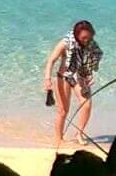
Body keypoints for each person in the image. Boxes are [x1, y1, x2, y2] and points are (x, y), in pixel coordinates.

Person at [42, 20, 102, 149]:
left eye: (89, 37)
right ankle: (59, 139)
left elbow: (92, 59)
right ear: (76, 35)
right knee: (63, 111)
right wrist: (47, 78)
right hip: (64, 76)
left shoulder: (91, 44)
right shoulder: (65, 43)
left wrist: (90, 73)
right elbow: (51, 60)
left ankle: (79, 134)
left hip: (79, 76)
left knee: (86, 104)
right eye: (83, 38)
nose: (86, 40)